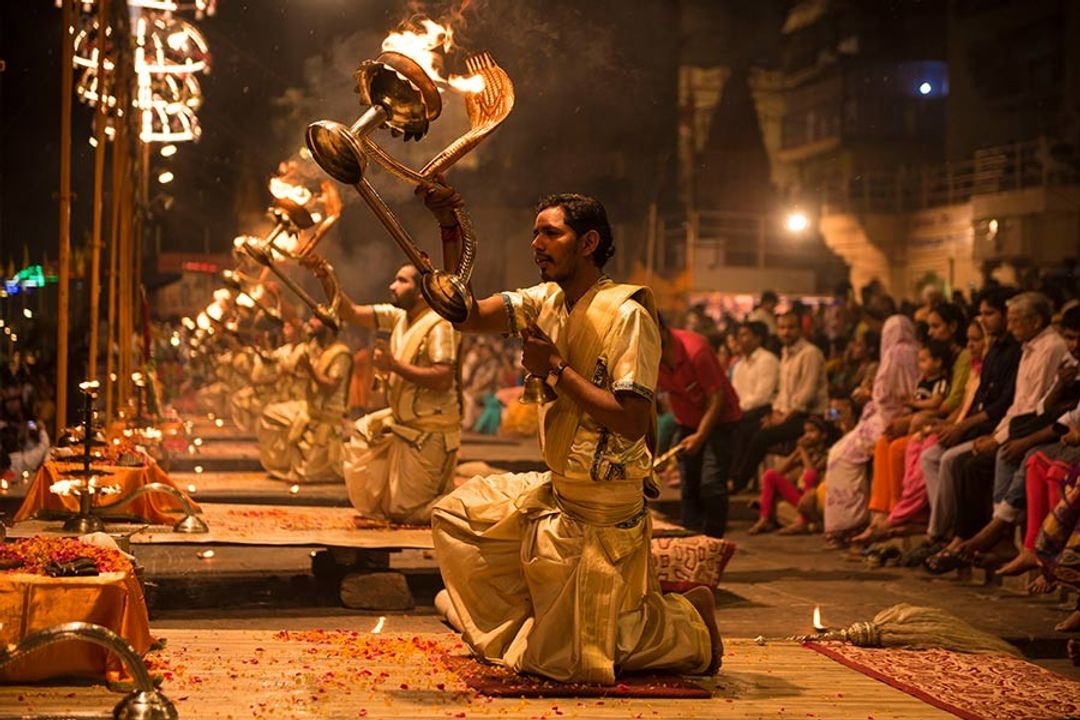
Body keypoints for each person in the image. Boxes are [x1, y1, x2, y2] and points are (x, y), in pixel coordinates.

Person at [424, 187, 722, 684]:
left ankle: (688, 625)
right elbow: (466, 315)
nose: (536, 243)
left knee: (570, 663)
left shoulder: (629, 315)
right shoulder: (542, 301)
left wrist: (556, 370)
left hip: (604, 509)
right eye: (535, 233)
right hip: (559, 493)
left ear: (587, 243)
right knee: (456, 516)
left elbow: (629, 420)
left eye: (550, 232)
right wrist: (450, 228)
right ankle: (544, 622)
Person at [304, 255, 462, 524]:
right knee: (363, 432)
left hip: (430, 430)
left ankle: (467, 507)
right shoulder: (399, 317)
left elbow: (443, 378)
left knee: (406, 512)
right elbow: (349, 312)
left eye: (401, 281)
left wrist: (394, 366)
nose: (392, 285)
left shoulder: (440, 324)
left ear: (422, 293)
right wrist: (325, 275)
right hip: (404, 424)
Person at [926, 292, 1069, 572]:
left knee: (990, 460)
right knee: (963, 460)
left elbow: (1035, 408)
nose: (1011, 325)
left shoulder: (1050, 347)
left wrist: (999, 438)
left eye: (1016, 320)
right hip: (1019, 424)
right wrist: (996, 436)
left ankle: (998, 535)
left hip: (1039, 427)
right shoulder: (1024, 347)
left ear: (1036, 321)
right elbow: (1018, 404)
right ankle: (969, 535)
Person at [911, 287, 1021, 563]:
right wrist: (952, 426)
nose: (984, 320)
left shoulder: (1014, 351)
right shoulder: (995, 349)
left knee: (954, 460)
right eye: (981, 314)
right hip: (983, 423)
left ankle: (952, 535)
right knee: (930, 454)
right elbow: (980, 398)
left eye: (989, 314)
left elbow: (1003, 404)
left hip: (1000, 426)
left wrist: (960, 427)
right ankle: (941, 532)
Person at [824, 316, 920, 545]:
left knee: (840, 454)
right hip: (902, 414)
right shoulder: (916, 351)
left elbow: (884, 394)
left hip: (888, 417)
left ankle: (847, 522)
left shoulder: (894, 354)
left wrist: (868, 394)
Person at [657, 316, 742, 537]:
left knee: (712, 485)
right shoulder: (646, 354)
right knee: (689, 486)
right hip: (687, 422)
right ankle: (691, 543)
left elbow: (716, 397)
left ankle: (713, 545)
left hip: (721, 421)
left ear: (662, 330)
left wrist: (700, 436)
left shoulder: (696, 350)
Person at [729, 313, 828, 494]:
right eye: (782, 328)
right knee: (744, 429)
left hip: (810, 417)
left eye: (791, 327)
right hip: (788, 414)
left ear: (800, 329)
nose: (786, 332)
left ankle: (737, 483)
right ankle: (731, 478)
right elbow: (782, 393)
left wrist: (783, 418)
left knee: (761, 436)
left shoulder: (810, 353)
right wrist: (775, 413)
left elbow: (807, 395)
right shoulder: (785, 353)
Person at [257, 317, 353, 482]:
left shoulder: (340, 354)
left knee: (307, 474)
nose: (311, 321)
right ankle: (282, 463)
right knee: (270, 413)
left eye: (317, 320)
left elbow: (330, 388)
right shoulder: (315, 348)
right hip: (309, 410)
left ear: (329, 328)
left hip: (327, 416)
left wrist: (309, 368)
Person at [748, 416, 829, 535]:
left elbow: (812, 473)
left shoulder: (828, 454)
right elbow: (779, 471)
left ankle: (803, 522)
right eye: (806, 432)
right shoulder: (807, 453)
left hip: (814, 501)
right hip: (801, 499)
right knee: (770, 475)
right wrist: (796, 452)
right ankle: (764, 519)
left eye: (812, 431)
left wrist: (803, 452)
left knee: (810, 475)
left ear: (823, 435)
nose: (807, 435)